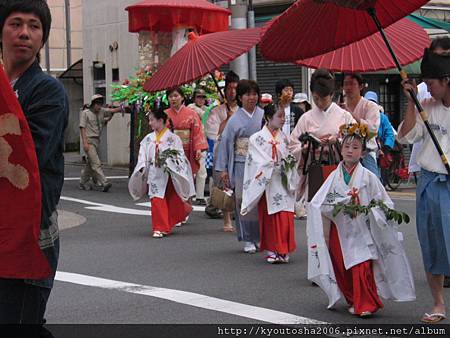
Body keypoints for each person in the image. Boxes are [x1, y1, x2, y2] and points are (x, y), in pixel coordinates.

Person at [0, 0, 68, 325]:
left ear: (43, 37)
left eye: (34, 25)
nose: (24, 33)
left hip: (29, 236)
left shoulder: (47, 91)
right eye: (15, 23)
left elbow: (27, 161)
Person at [307, 123, 415, 317]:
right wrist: (336, 206)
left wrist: (371, 211)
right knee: (342, 267)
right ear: (340, 149)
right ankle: (352, 299)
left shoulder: (369, 177)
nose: (350, 151)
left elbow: (384, 203)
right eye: (347, 147)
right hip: (340, 230)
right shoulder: (333, 176)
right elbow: (318, 203)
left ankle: (366, 303)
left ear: (363, 153)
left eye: (356, 147)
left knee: (361, 266)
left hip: (362, 229)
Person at [397, 41, 450, 323]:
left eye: (431, 82)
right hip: (430, 182)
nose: (426, 87)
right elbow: (405, 137)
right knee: (432, 245)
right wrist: (410, 103)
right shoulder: (424, 104)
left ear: (446, 80)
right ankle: (438, 303)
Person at [241, 104, 298, 263]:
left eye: (283, 116)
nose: (282, 119)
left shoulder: (285, 138)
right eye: (279, 116)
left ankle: (284, 250)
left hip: (282, 179)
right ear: (268, 118)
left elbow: (289, 157)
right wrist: (270, 165)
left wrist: (287, 164)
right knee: (270, 217)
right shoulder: (256, 138)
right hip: (266, 182)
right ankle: (273, 249)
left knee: (285, 215)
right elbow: (255, 161)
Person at [290, 69, 354, 204]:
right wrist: (303, 149)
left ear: (331, 95)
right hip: (314, 171)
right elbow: (292, 145)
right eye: (315, 98)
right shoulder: (306, 118)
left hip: (338, 168)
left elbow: (356, 141)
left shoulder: (344, 116)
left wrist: (338, 140)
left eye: (323, 98)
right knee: (316, 211)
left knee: (339, 210)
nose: (319, 103)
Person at [129, 109, 195, 238]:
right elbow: (143, 154)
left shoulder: (173, 138)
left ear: (160, 121)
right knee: (156, 198)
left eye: (152, 120)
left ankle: (170, 221)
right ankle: (159, 227)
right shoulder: (148, 138)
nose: (150, 123)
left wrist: (169, 160)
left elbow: (180, 155)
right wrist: (142, 166)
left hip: (169, 173)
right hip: (155, 172)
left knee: (171, 198)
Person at [216, 80, 264, 253]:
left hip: (260, 163)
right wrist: (223, 170)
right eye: (247, 94)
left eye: (254, 94)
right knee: (243, 200)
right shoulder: (235, 119)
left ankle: (260, 236)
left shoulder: (263, 115)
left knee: (259, 199)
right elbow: (226, 143)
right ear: (240, 97)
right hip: (241, 163)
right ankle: (248, 238)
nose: (252, 97)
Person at [205, 71, 240, 229]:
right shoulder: (216, 111)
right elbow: (213, 133)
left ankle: (240, 217)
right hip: (223, 150)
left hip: (240, 150)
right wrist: (227, 119)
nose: (232, 92)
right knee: (224, 184)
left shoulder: (243, 109)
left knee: (240, 184)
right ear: (225, 91)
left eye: (235, 88)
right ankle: (227, 220)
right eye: (229, 88)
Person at [341, 73, 380, 177]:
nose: (348, 87)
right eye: (346, 84)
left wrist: (350, 114)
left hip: (365, 153)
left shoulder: (370, 106)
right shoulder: (339, 107)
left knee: (372, 185)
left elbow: (373, 130)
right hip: (343, 155)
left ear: (361, 86)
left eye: (352, 84)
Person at [79, 94, 121, 192]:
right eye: (97, 104)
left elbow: (112, 111)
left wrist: (121, 107)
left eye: (100, 104)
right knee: (96, 163)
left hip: (97, 141)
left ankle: (83, 182)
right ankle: (104, 182)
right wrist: (84, 142)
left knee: (91, 164)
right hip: (89, 140)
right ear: (93, 104)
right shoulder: (86, 113)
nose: (99, 106)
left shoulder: (101, 112)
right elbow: (82, 128)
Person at [188, 88, 208, 206]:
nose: (201, 99)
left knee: (202, 170)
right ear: (194, 98)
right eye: (199, 97)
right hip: (191, 143)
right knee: (190, 170)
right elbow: (205, 115)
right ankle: (189, 193)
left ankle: (199, 196)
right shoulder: (191, 108)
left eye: (203, 97)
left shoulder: (206, 109)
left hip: (202, 142)